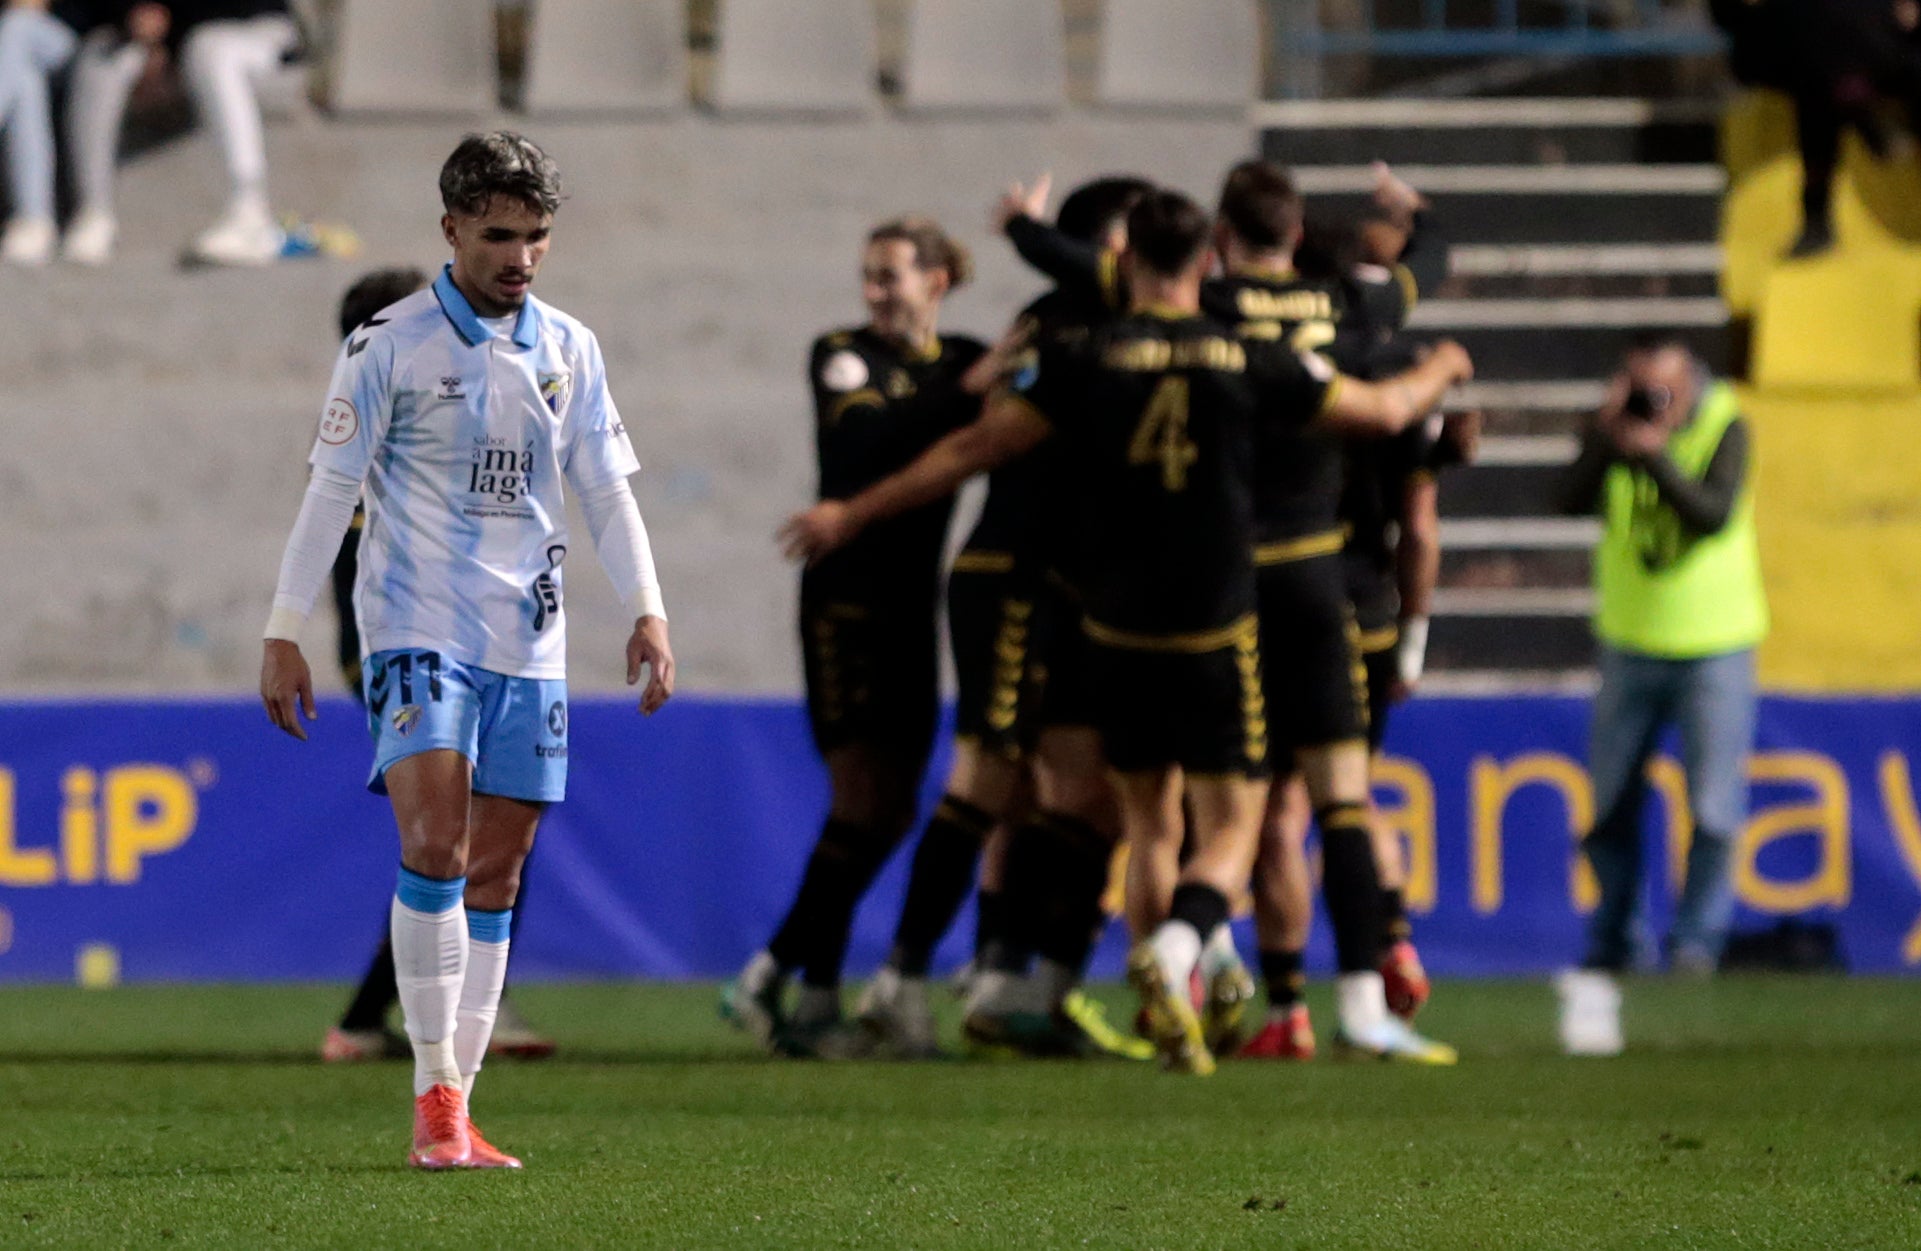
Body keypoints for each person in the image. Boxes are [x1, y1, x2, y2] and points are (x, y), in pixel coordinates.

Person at [781, 189, 1473, 1075]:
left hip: (1113, 627)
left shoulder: (1081, 355)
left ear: (1126, 260)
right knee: (1234, 821)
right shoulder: (1246, 354)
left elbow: (972, 450)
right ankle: (1187, 951)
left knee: (1143, 821)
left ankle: (1163, 1008)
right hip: (1219, 625)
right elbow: (1378, 413)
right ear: (1206, 259)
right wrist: (1442, 366)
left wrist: (852, 511)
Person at [260, 132, 674, 1168]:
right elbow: (329, 491)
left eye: (535, 236)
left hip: (529, 639)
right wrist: (284, 627)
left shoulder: (569, 349)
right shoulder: (388, 346)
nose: (520, 256)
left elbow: (606, 490)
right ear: (451, 230)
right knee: (436, 848)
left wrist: (649, 609)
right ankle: (432, 1101)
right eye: (499, 235)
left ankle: (460, 1098)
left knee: (499, 869)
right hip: (414, 625)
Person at [845, 175, 1153, 1060]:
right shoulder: (1062, 328)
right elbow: (983, 444)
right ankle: (899, 984)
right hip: (1013, 576)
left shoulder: (1102, 328)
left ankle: (1025, 986)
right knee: (985, 783)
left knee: (1085, 793)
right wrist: (856, 513)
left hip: (1074, 589)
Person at [722, 217, 986, 1058]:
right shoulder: (840, 353)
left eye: (890, 277)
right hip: (842, 601)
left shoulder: (962, 360)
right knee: (858, 800)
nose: (874, 292)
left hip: (914, 605)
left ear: (936, 279)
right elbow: (871, 440)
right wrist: (971, 386)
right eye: (869, 276)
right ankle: (802, 990)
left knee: (894, 807)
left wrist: (979, 380)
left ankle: (781, 974)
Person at [315, 266, 557, 1066]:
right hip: (410, 649)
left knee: (461, 842)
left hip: (411, 648)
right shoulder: (393, 409)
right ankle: (414, 1019)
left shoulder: (387, 408)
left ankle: (397, 1016)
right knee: (453, 842)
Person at [1555, 336, 1766, 1056]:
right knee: (1610, 800)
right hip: (1628, 639)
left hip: (1714, 642)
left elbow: (1710, 513)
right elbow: (1563, 501)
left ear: (1690, 383)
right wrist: (1604, 437)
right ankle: (1612, 936)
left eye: (1662, 390)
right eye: (1640, 388)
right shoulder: (1614, 428)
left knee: (1712, 804)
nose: (1654, 403)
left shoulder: (1726, 422)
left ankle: (1694, 946)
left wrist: (1653, 454)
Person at [61, 0, 302, 265]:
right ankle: (93, 212)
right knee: (102, 51)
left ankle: (248, 209)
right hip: (164, 40)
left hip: (255, 31)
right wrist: (134, 19)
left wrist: (169, 36)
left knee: (210, 47)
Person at [0, 0, 126, 264]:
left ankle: (42, 218)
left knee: (17, 26)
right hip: (19, 54)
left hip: (86, 42)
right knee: (25, 80)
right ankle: (33, 217)